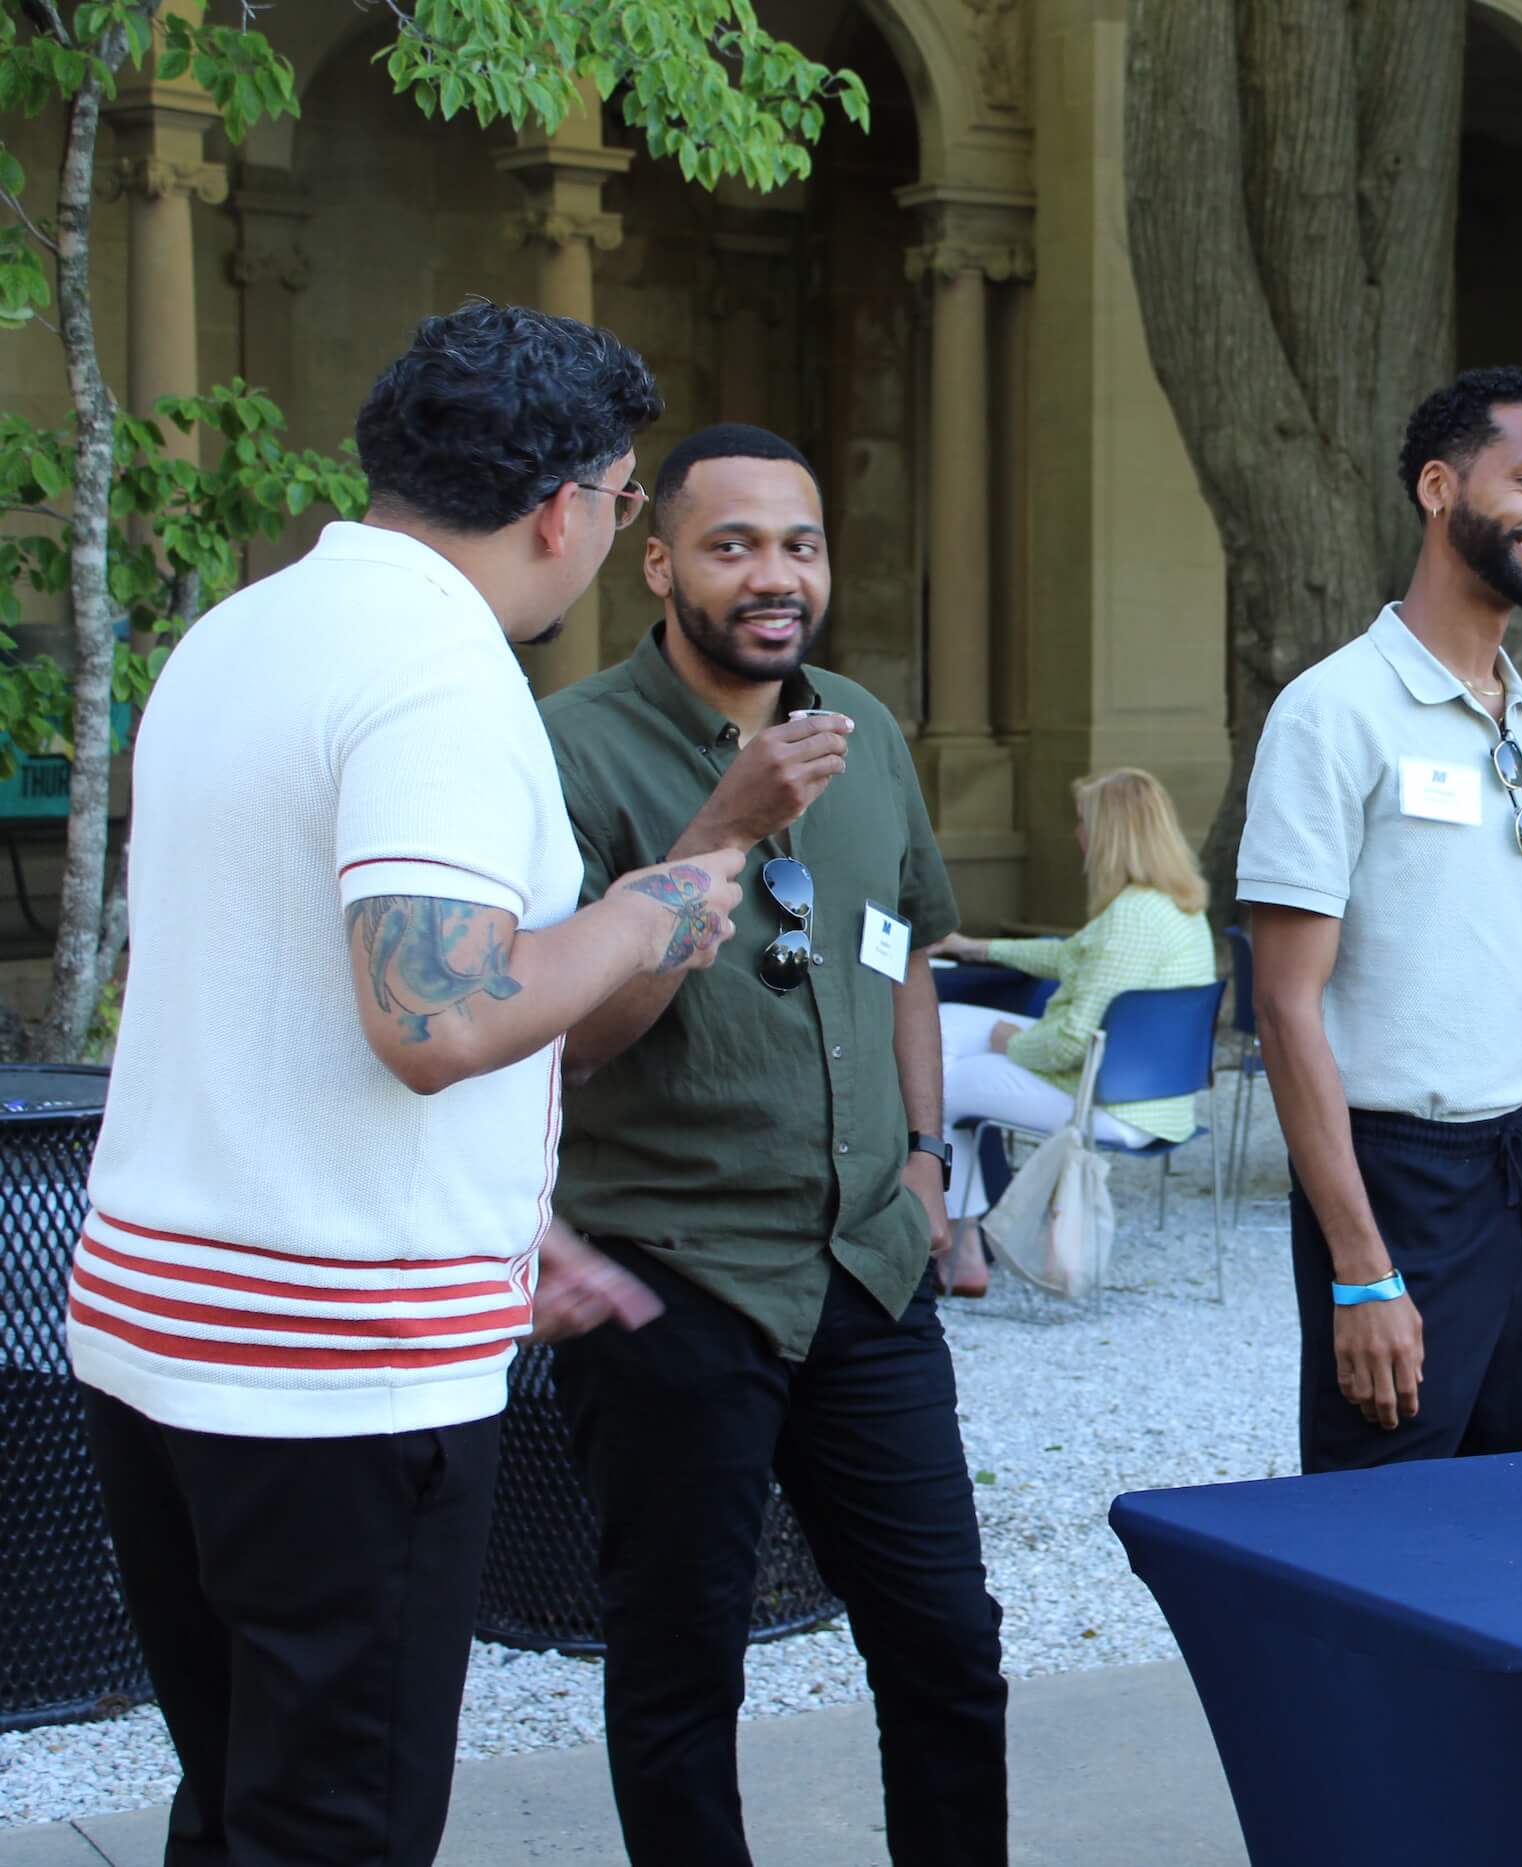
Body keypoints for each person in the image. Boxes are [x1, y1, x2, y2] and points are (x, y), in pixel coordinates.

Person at [71, 303, 738, 1866]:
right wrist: (654, 904)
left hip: (162, 1324)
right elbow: (427, 1011)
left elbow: (270, 992)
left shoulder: (245, 630)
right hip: (332, 1371)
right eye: (630, 497)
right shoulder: (441, 672)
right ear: (567, 506)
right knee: (335, 1829)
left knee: (237, 1800)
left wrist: (500, 1218)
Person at [539, 423, 1008, 1865]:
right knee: (681, 1676)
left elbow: (902, 958)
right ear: (659, 561)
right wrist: (723, 829)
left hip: (869, 1270)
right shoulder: (571, 750)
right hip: (676, 1280)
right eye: (733, 543)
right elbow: (569, 1036)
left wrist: (931, 1162)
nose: (774, 574)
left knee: (948, 1649)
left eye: (797, 542)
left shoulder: (865, 731)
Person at [1237, 364, 1522, 1473]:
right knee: (1379, 1516)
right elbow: (1284, 1009)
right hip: (1400, 1171)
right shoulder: (1331, 713)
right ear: (1439, 487)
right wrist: (1362, 1266)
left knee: (1511, 1495)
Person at [933, 766, 1216, 1288]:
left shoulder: (1131, 917)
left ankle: (960, 1244)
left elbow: (1069, 1042)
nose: (1075, 833)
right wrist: (973, 947)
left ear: (1110, 835)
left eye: (1083, 820)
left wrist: (1012, 1043)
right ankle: (960, 1226)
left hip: (1111, 1103)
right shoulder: (1173, 904)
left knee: (935, 1085)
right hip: (1151, 1097)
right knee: (942, 1027)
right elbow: (1074, 955)